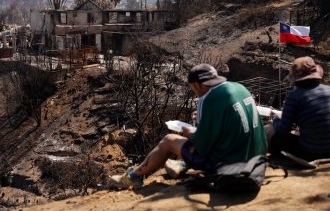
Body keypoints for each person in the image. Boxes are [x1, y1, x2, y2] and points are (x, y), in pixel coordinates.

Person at [110, 63, 268, 189]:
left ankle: (132, 178)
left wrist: (188, 132)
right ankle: (181, 164)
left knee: (169, 140)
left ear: (197, 85)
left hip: (230, 164)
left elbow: (202, 145)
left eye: (192, 87)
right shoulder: (239, 88)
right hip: (256, 157)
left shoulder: (208, 99)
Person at [267, 56, 330, 160]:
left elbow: (283, 131)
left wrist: (276, 121)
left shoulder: (294, 96)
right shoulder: (328, 90)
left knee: (270, 131)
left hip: (311, 152)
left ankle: (277, 159)